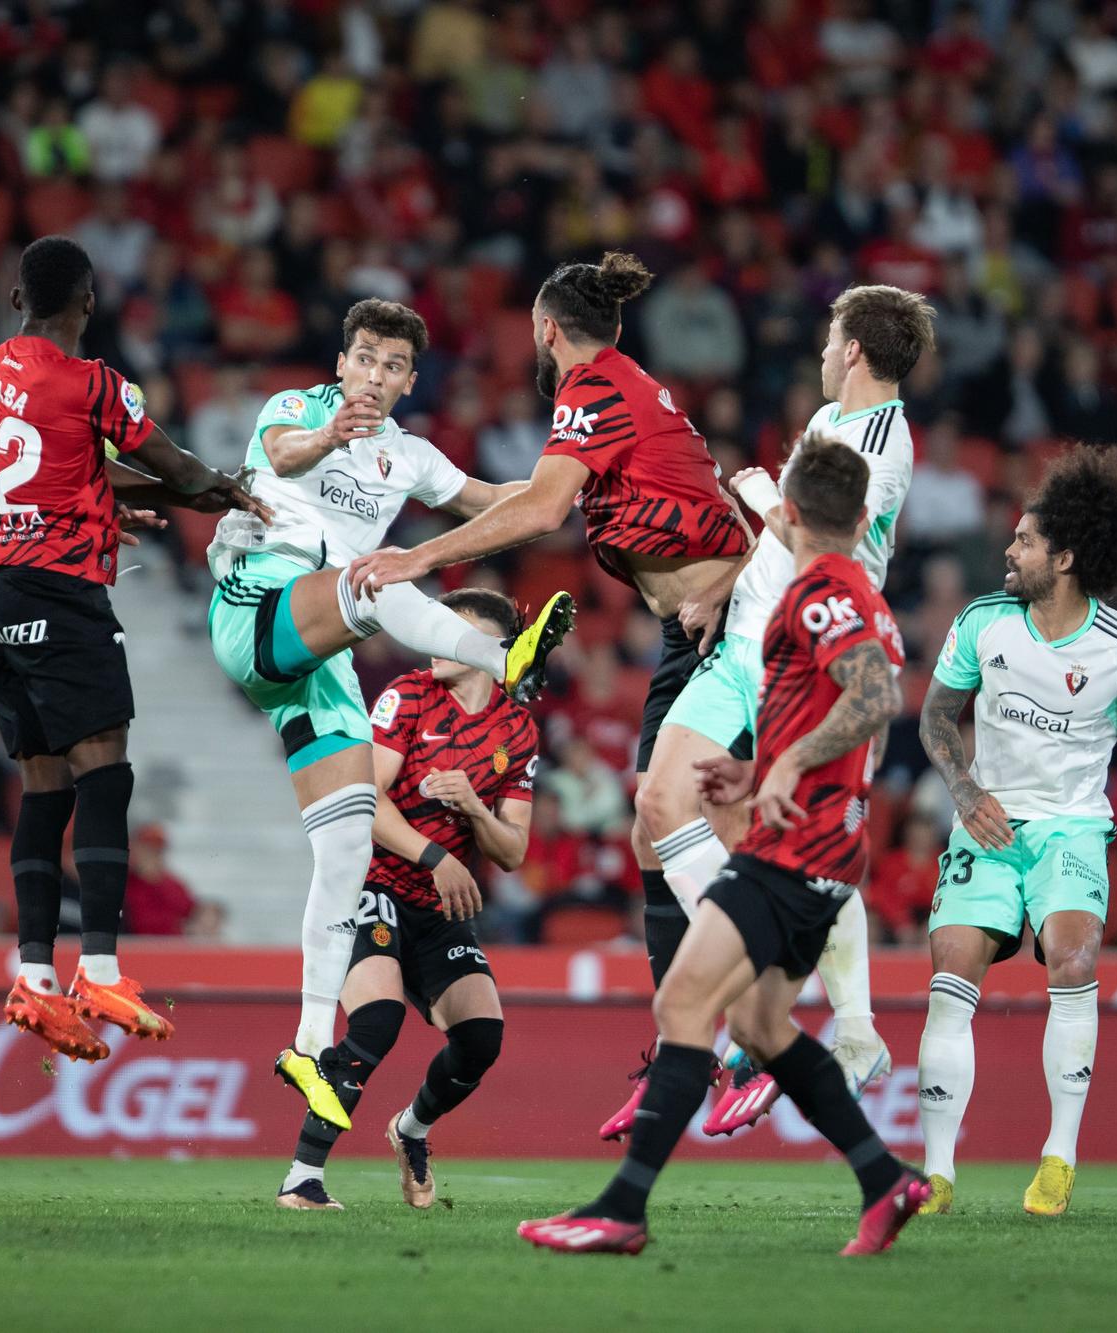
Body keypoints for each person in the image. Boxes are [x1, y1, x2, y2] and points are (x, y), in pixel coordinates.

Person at [344, 253, 754, 1131]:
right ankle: (687, 1052)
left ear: (545, 330)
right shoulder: (634, 387)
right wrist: (739, 571)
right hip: (696, 632)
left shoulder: (595, 387)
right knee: (657, 836)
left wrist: (411, 559)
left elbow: (539, 512)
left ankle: (763, 1022)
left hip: (733, 632)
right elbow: (699, 496)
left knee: (679, 817)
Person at [520, 439, 929, 1257]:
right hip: (823, 849)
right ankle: (888, 1179)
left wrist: (793, 765)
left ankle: (623, 1210)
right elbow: (841, 700)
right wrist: (754, 769)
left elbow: (877, 696)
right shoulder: (858, 590)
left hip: (792, 849)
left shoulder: (820, 591)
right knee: (765, 1026)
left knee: (683, 1007)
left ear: (791, 513)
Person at [200, 297, 574, 1130]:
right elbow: (283, 454)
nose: (373, 374)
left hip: (319, 658)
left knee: (343, 845)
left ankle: (305, 1042)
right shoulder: (299, 410)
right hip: (259, 599)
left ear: (409, 380)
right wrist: (331, 438)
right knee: (377, 577)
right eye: (363, 357)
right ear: (343, 363)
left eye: (392, 364)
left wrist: (580, 481)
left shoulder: (411, 457)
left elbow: (496, 500)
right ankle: (498, 657)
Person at [0, 236, 265, 1063]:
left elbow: (65, 463)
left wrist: (102, 497)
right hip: (57, 592)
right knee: (106, 766)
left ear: (19, 298)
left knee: (44, 782)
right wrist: (229, 488)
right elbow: (171, 464)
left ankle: (34, 977)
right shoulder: (97, 384)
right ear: (88, 302)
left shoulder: (3, 367)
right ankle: (98, 964)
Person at [641, 283, 934, 1138]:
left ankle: (847, 1025)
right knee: (659, 805)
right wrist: (728, 587)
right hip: (744, 643)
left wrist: (763, 493)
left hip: (811, 658)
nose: (819, 350)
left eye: (829, 336)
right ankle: (800, 1011)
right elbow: (781, 542)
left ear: (854, 350)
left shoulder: (888, 444)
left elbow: (819, 542)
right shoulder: (827, 421)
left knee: (795, 842)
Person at [914, 446, 1117, 1218]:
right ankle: (936, 1173)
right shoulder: (983, 623)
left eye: (1026, 541)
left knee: (1073, 956)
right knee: (951, 963)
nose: (1010, 548)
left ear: (1064, 558)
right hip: (990, 822)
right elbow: (936, 716)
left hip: (1070, 827)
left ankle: (1059, 1158)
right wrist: (964, 788)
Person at [275, 589, 537, 1211]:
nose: (434, 637)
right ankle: (302, 1177)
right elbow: (365, 799)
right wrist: (437, 855)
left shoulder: (518, 727)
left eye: (454, 628)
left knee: (482, 1038)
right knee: (378, 1019)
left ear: (490, 649)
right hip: (373, 886)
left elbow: (513, 850)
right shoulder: (409, 693)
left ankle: (411, 1131)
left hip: (438, 908)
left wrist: (473, 806)